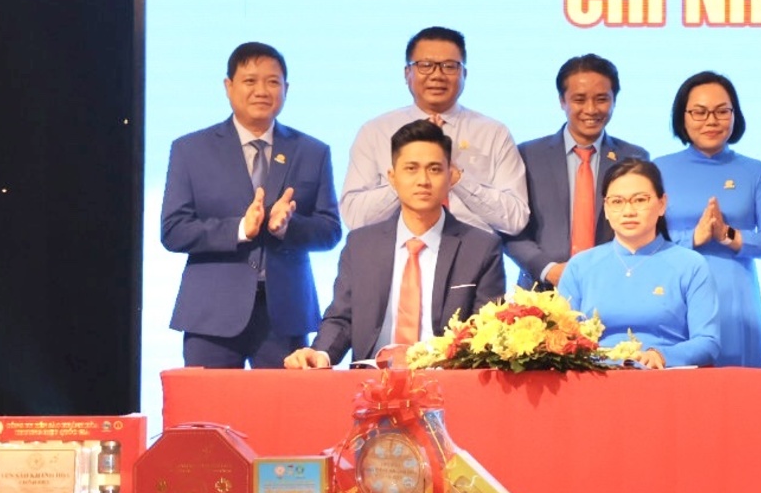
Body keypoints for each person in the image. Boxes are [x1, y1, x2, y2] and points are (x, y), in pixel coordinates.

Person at [161, 42, 343, 368]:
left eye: (272, 82)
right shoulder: (191, 150)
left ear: (286, 89)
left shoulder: (312, 151)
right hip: (211, 314)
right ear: (228, 86)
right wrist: (240, 229)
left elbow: (330, 231)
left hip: (285, 315)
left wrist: (288, 227)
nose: (261, 91)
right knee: (208, 402)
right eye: (250, 81)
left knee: (282, 402)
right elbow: (174, 230)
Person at [287, 120, 505, 367]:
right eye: (411, 169)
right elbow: (342, 318)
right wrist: (321, 353)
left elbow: (485, 333)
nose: (423, 180)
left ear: (450, 176)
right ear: (392, 177)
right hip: (371, 380)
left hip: (446, 378)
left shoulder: (481, 248)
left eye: (434, 169)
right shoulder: (361, 245)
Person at [339, 27, 528, 236]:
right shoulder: (375, 132)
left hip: (473, 251)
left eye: (449, 66)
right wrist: (404, 179)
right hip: (397, 250)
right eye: (425, 66)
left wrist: (458, 180)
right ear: (407, 73)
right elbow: (354, 216)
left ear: (464, 74)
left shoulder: (493, 133)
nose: (437, 75)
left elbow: (516, 219)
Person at [655, 72, 761, 367]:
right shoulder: (658, 170)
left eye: (722, 111)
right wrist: (692, 238)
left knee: (740, 389)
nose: (711, 121)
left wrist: (729, 235)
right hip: (673, 295)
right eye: (699, 112)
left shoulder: (755, 172)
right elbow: (644, 241)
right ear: (682, 117)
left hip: (736, 300)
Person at [504, 54, 649, 289]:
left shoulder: (634, 158)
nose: (591, 109)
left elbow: (644, 229)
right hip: (541, 291)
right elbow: (509, 228)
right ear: (562, 101)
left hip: (614, 287)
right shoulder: (527, 155)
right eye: (579, 99)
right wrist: (548, 269)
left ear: (614, 100)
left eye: (601, 99)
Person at [558, 159, 720, 368]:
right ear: (605, 208)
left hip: (666, 376)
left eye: (640, 200)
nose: (629, 211)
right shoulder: (580, 266)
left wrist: (662, 356)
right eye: (617, 202)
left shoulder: (691, 265)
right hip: (595, 377)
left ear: (662, 204)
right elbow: (563, 339)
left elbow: (708, 342)